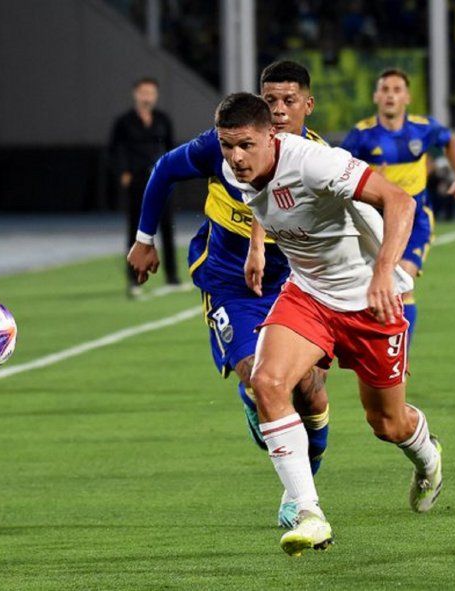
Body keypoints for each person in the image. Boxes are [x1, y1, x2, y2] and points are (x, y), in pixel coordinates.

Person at [218, 92, 444, 556]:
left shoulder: (314, 163)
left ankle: (428, 460)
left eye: (244, 145)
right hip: (309, 295)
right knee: (267, 381)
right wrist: (257, 246)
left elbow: (400, 202)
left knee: (387, 424)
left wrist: (385, 273)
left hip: (368, 297)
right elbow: (264, 203)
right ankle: (309, 512)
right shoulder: (234, 168)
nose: (235, 158)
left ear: (271, 136)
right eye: (227, 146)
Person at [127, 61, 331, 528]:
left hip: (294, 280)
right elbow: (163, 171)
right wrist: (144, 239)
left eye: (287, 101)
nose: (277, 110)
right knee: (259, 379)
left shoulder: (320, 160)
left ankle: (297, 486)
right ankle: (304, 503)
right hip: (227, 277)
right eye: (269, 100)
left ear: (307, 105)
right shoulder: (225, 145)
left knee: (312, 395)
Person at [341, 69, 455, 345]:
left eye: (397, 89)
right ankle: (380, 349)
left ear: (407, 97)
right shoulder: (361, 136)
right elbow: (339, 172)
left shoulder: (424, 129)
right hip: (373, 222)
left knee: (401, 280)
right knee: (376, 290)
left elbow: (450, 142)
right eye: (385, 89)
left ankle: (399, 359)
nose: (390, 95)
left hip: (415, 221)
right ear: (376, 96)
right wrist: (371, 181)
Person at [108, 77, 180, 297]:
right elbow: (115, 149)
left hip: (159, 180)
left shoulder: (162, 120)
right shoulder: (124, 122)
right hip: (137, 180)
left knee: (167, 229)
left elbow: (171, 149)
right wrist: (123, 172)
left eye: (151, 92)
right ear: (136, 94)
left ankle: (172, 277)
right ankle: (134, 279)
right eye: (143, 92)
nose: (147, 96)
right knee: (136, 230)